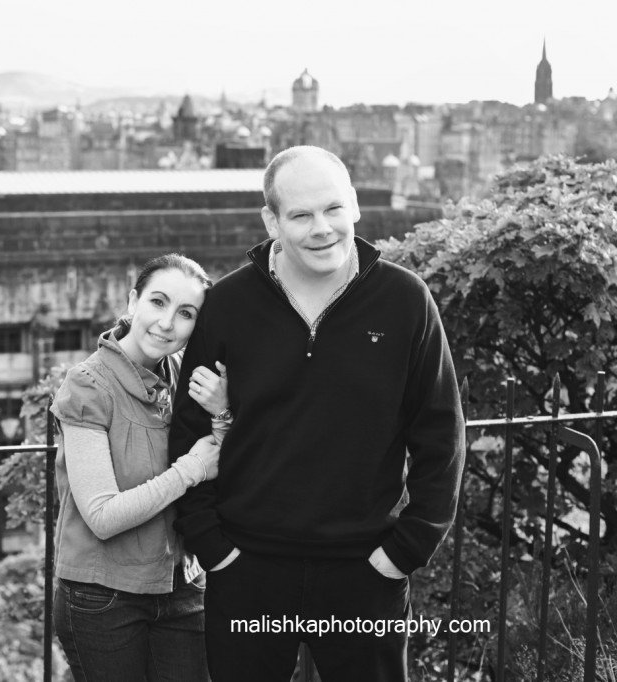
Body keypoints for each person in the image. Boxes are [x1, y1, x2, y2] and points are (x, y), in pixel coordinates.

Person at [169, 146, 466, 682]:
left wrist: (406, 549)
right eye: (301, 215)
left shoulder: (405, 300)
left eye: (333, 209)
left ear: (354, 205)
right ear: (272, 220)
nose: (322, 228)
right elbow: (190, 429)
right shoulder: (230, 304)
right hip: (248, 569)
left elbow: (440, 433)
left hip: (365, 570)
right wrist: (212, 546)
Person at [50, 253, 232, 682]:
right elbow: (102, 515)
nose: (167, 322)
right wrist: (188, 469)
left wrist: (223, 413)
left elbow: (227, 469)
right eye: (157, 302)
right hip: (103, 598)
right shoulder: (88, 385)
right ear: (133, 301)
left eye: (185, 313)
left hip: (180, 585)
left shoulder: (188, 379)